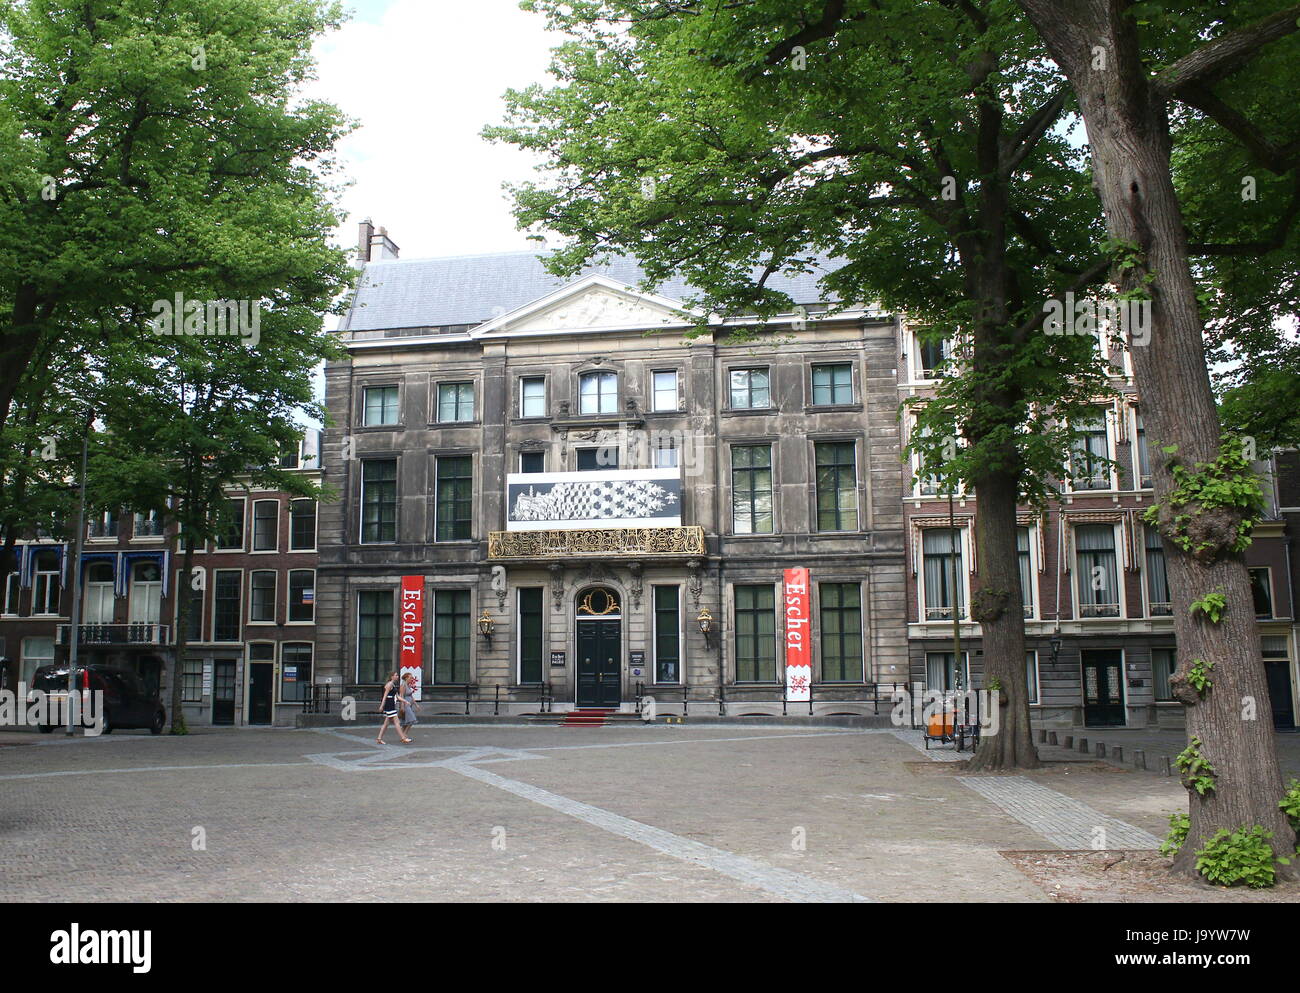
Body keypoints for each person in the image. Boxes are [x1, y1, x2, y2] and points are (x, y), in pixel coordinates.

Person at [377, 671, 411, 744]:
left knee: (386, 724)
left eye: (397, 675)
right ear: (391, 676)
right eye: (396, 675)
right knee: (397, 722)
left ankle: (379, 738)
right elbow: (385, 696)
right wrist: (382, 705)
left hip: (391, 704)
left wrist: (405, 701)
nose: (397, 676)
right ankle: (403, 738)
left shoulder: (393, 684)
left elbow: (397, 696)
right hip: (389, 705)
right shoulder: (389, 685)